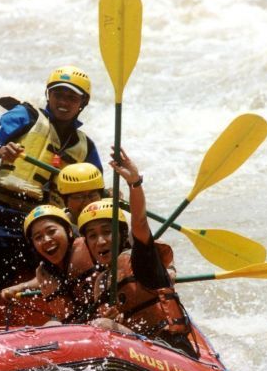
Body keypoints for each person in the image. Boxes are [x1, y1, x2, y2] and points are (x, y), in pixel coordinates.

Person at [0, 65, 103, 296]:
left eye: (72, 97)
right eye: (58, 94)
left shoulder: (86, 146)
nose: (64, 101)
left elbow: (95, 192)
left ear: (83, 103)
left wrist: (114, 193)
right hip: (3, 214)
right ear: (48, 95)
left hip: (47, 226)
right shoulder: (25, 116)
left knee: (65, 277)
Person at [79, 149, 192, 354]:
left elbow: (139, 223)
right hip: (138, 353)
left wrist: (134, 183)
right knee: (101, 323)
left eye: (107, 232)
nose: (101, 241)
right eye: (92, 236)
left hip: (173, 349)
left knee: (101, 326)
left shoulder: (140, 260)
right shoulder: (101, 282)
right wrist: (114, 318)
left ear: (122, 236)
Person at [0, 204, 98, 324]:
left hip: (104, 322)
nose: (46, 240)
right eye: (38, 237)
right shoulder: (43, 272)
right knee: (51, 325)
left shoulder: (90, 247)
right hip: (76, 329)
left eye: (52, 231)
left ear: (69, 231)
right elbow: (46, 280)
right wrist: (19, 287)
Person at [55, 162, 106, 228]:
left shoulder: (115, 216)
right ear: (64, 200)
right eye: (78, 197)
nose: (87, 203)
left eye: (92, 195)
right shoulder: (59, 226)